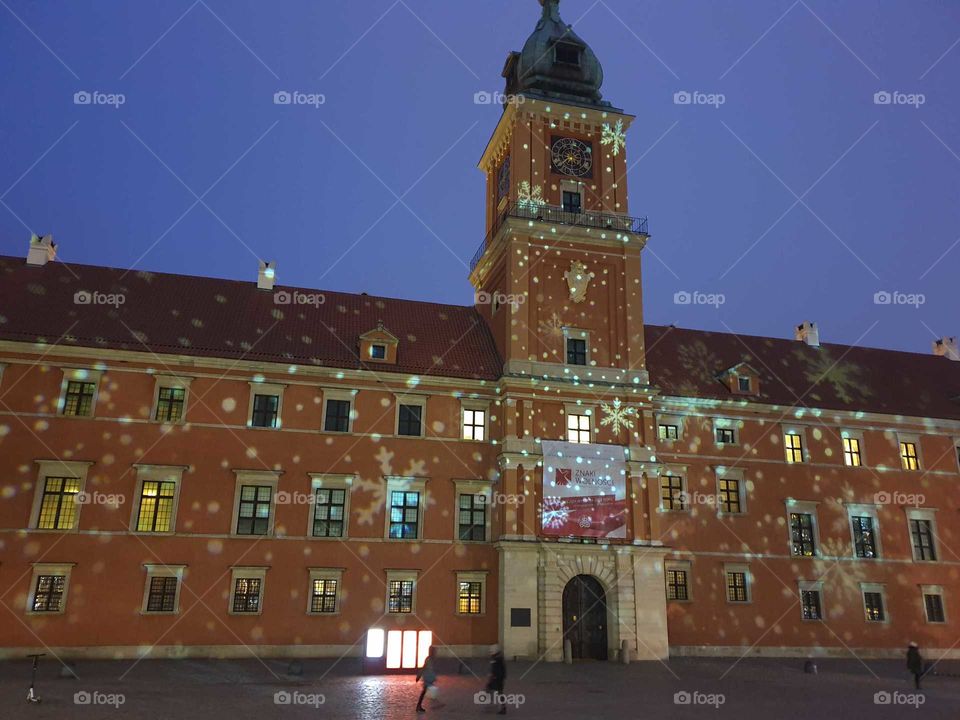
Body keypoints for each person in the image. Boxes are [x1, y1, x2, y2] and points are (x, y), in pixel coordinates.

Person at [415, 646, 439, 712]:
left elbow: (431, 668)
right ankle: (419, 706)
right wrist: (419, 676)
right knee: (425, 691)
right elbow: (424, 667)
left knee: (425, 691)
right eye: (434, 651)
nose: (435, 652)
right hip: (427, 678)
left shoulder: (431, 659)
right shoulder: (428, 659)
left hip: (429, 677)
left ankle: (419, 706)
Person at [487, 645, 507, 715]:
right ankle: (502, 707)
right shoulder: (499, 658)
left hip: (496, 678)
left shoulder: (496, 659)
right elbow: (502, 669)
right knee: (498, 692)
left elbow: (496, 670)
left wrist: (492, 676)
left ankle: (502, 707)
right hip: (499, 678)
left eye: (491, 652)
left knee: (494, 690)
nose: (490, 653)